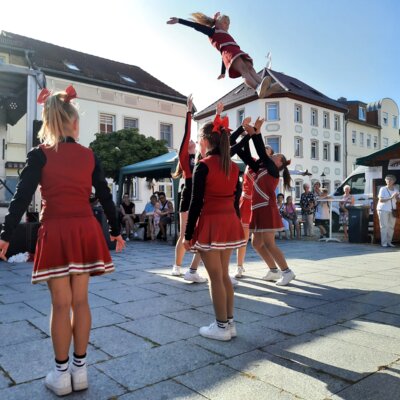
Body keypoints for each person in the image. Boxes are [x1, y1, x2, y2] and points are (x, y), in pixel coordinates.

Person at [0, 86, 125, 396]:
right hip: (85, 229)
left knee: (61, 303)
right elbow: (105, 195)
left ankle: (60, 375)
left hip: (55, 229)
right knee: (81, 301)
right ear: (73, 122)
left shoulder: (39, 154)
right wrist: (116, 229)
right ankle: (80, 372)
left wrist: (5, 235)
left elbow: (21, 196)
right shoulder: (89, 155)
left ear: (49, 122)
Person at [183, 117, 246, 341]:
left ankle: (221, 327)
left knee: (215, 278)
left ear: (206, 140)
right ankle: (229, 324)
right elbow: (235, 197)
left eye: (199, 139)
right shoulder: (232, 166)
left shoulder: (204, 165)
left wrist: (187, 235)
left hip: (212, 222)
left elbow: (195, 203)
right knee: (224, 276)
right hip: (229, 221)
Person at [235, 118, 296, 286]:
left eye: (278, 155)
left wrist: (257, 132)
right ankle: (274, 270)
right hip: (257, 208)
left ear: (279, 163)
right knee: (256, 243)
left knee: (269, 243)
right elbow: (245, 155)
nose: (275, 154)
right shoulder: (260, 167)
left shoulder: (273, 170)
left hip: (266, 208)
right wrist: (245, 135)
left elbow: (261, 151)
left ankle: (287, 271)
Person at [166, 12, 276, 98]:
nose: (227, 25)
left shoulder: (226, 34)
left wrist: (223, 72)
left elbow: (222, 57)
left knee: (250, 68)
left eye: (228, 24)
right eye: (225, 22)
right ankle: (257, 88)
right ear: (217, 23)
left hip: (237, 51)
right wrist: (179, 21)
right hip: (229, 53)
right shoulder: (213, 32)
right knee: (244, 70)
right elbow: (196, 26)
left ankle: (264, 85)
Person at [171, 94, 205, 282]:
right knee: (184, 234)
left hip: (199, 195)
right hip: (188, 195)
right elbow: (187, 133)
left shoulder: (200, 158)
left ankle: (192, 270)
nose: (191, 141)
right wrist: (189, 111)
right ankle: (177, 266)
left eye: (194, 141)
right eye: (189, 141)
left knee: (200, 234)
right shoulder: (185, 156)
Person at [377, 174, 399, 247]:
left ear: (393, 181)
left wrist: (397, 197)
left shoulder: (396, 190)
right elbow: (381, 200)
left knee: (391, 227)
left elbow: (398, 200)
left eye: (390, 179)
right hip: (383, 209)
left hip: (392, 210)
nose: (388, 181)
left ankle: (389, 242)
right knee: (384, 226)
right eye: (387, 179)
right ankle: (384, 243)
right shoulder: (382, 189)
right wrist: (391, 197)